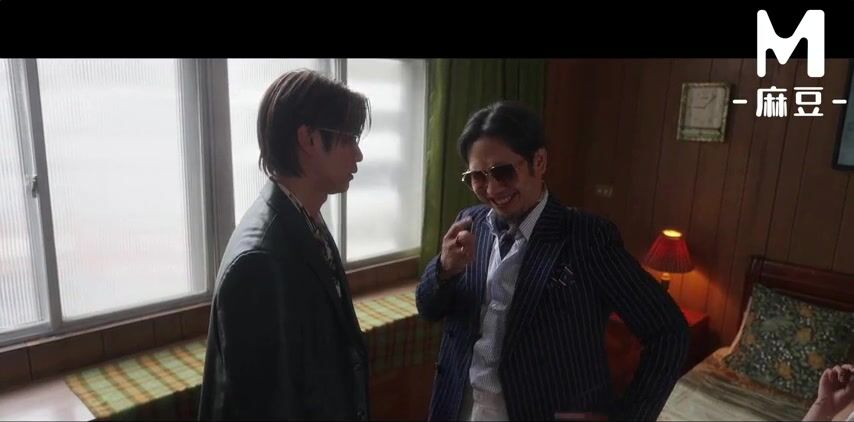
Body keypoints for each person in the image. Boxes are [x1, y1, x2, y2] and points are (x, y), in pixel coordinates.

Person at [416, 100, 690, 421]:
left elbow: (669, 332)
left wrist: (631, 416)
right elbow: (428, 308)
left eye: (503, 172)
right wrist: (444, 270)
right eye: (477, 177)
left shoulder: (587, 237)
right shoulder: (469, 224)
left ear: (539, 161)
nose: (491, 188)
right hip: (459, 409)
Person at [198, 69, 371, 420]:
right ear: (308, 138)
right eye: (349, 138)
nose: (358, 155)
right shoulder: (260, 261)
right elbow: (269, 407)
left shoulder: (304, 217)